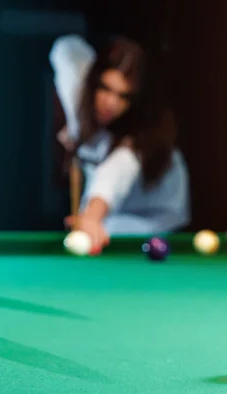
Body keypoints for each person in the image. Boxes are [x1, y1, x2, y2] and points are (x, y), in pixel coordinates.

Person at [49, 34, 190, 250]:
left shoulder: (139, 134)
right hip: (113, 207)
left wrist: (91, 217)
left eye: (124, 96)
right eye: (105, 88)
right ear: (92, 80)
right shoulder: (78, 89)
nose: (111, 103)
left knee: (103, 227)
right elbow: (65, 47)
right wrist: (69, 122)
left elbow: (116, 172)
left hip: (156, 212)